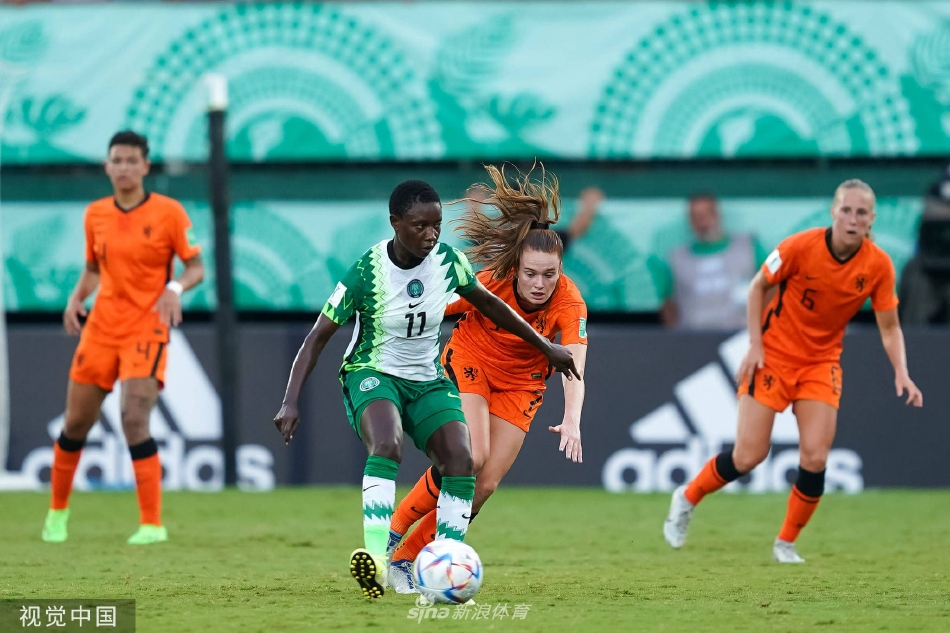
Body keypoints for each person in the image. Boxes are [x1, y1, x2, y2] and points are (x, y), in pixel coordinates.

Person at [272, 179, 580, 600]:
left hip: (426, 378)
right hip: (372, 371)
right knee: (388, 443)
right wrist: (290, 400)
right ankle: (380, 555)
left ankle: (444, 561)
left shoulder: (448, 263)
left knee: (463, 460)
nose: (431, 234)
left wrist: (546, 347)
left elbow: (490, 304)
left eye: (436, 225)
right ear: (395, 223)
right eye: (421, 225)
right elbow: (316, 338)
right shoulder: (367, 272)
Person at [663, 179, 924, 563]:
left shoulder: (879, 265)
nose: (853, 218)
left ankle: (785, 543)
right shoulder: (799, 246)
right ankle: (687, 498)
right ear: (834, 212)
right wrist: (755, 345)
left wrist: (901, 371)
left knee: (816, 457)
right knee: (749, 456)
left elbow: (890, 327)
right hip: (774, 357)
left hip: (821, 363)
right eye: (847, 210)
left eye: (862, 212)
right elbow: (757, 288)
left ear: (871, 220)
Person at [386, 165, 588, 593]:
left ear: (560, 269)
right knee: (472, 457)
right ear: (516, 267)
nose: (539, 283)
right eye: (530, 273)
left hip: (522, 384)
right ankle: (393, 532)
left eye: (549, 275)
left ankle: (406, 560)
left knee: (485, 485)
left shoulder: (570, 303)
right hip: (472, 360)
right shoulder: (491, 282)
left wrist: (572, 418)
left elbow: (575, 366)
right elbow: (435, 309)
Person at [43, 130, 205, 545]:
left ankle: (151, 524)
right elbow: (94, 269)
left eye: (133, 160)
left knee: (133, 419)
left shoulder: (169, 213)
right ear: (107, 165)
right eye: (118, 160)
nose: (126, 167)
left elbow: (195, 268)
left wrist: (173, 289)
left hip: (145, 328)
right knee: (76, 423)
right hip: (100, 329)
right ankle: (57, 515)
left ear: (146, 166)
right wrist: (75, 298)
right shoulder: (95, 214)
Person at [655, 193, 767, 330]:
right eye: (695, 217)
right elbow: (668, 305)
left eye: (706, 214)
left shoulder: (748, 247)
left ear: (718, 215)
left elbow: (773, 288)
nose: (702, 222)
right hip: (693, 339)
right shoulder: (676, 259)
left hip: (740, 339)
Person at [462, 184, 602, 254]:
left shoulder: (542, 238)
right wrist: (473, 206)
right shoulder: (493, 239)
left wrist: (589, 206)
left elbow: (575, 230)